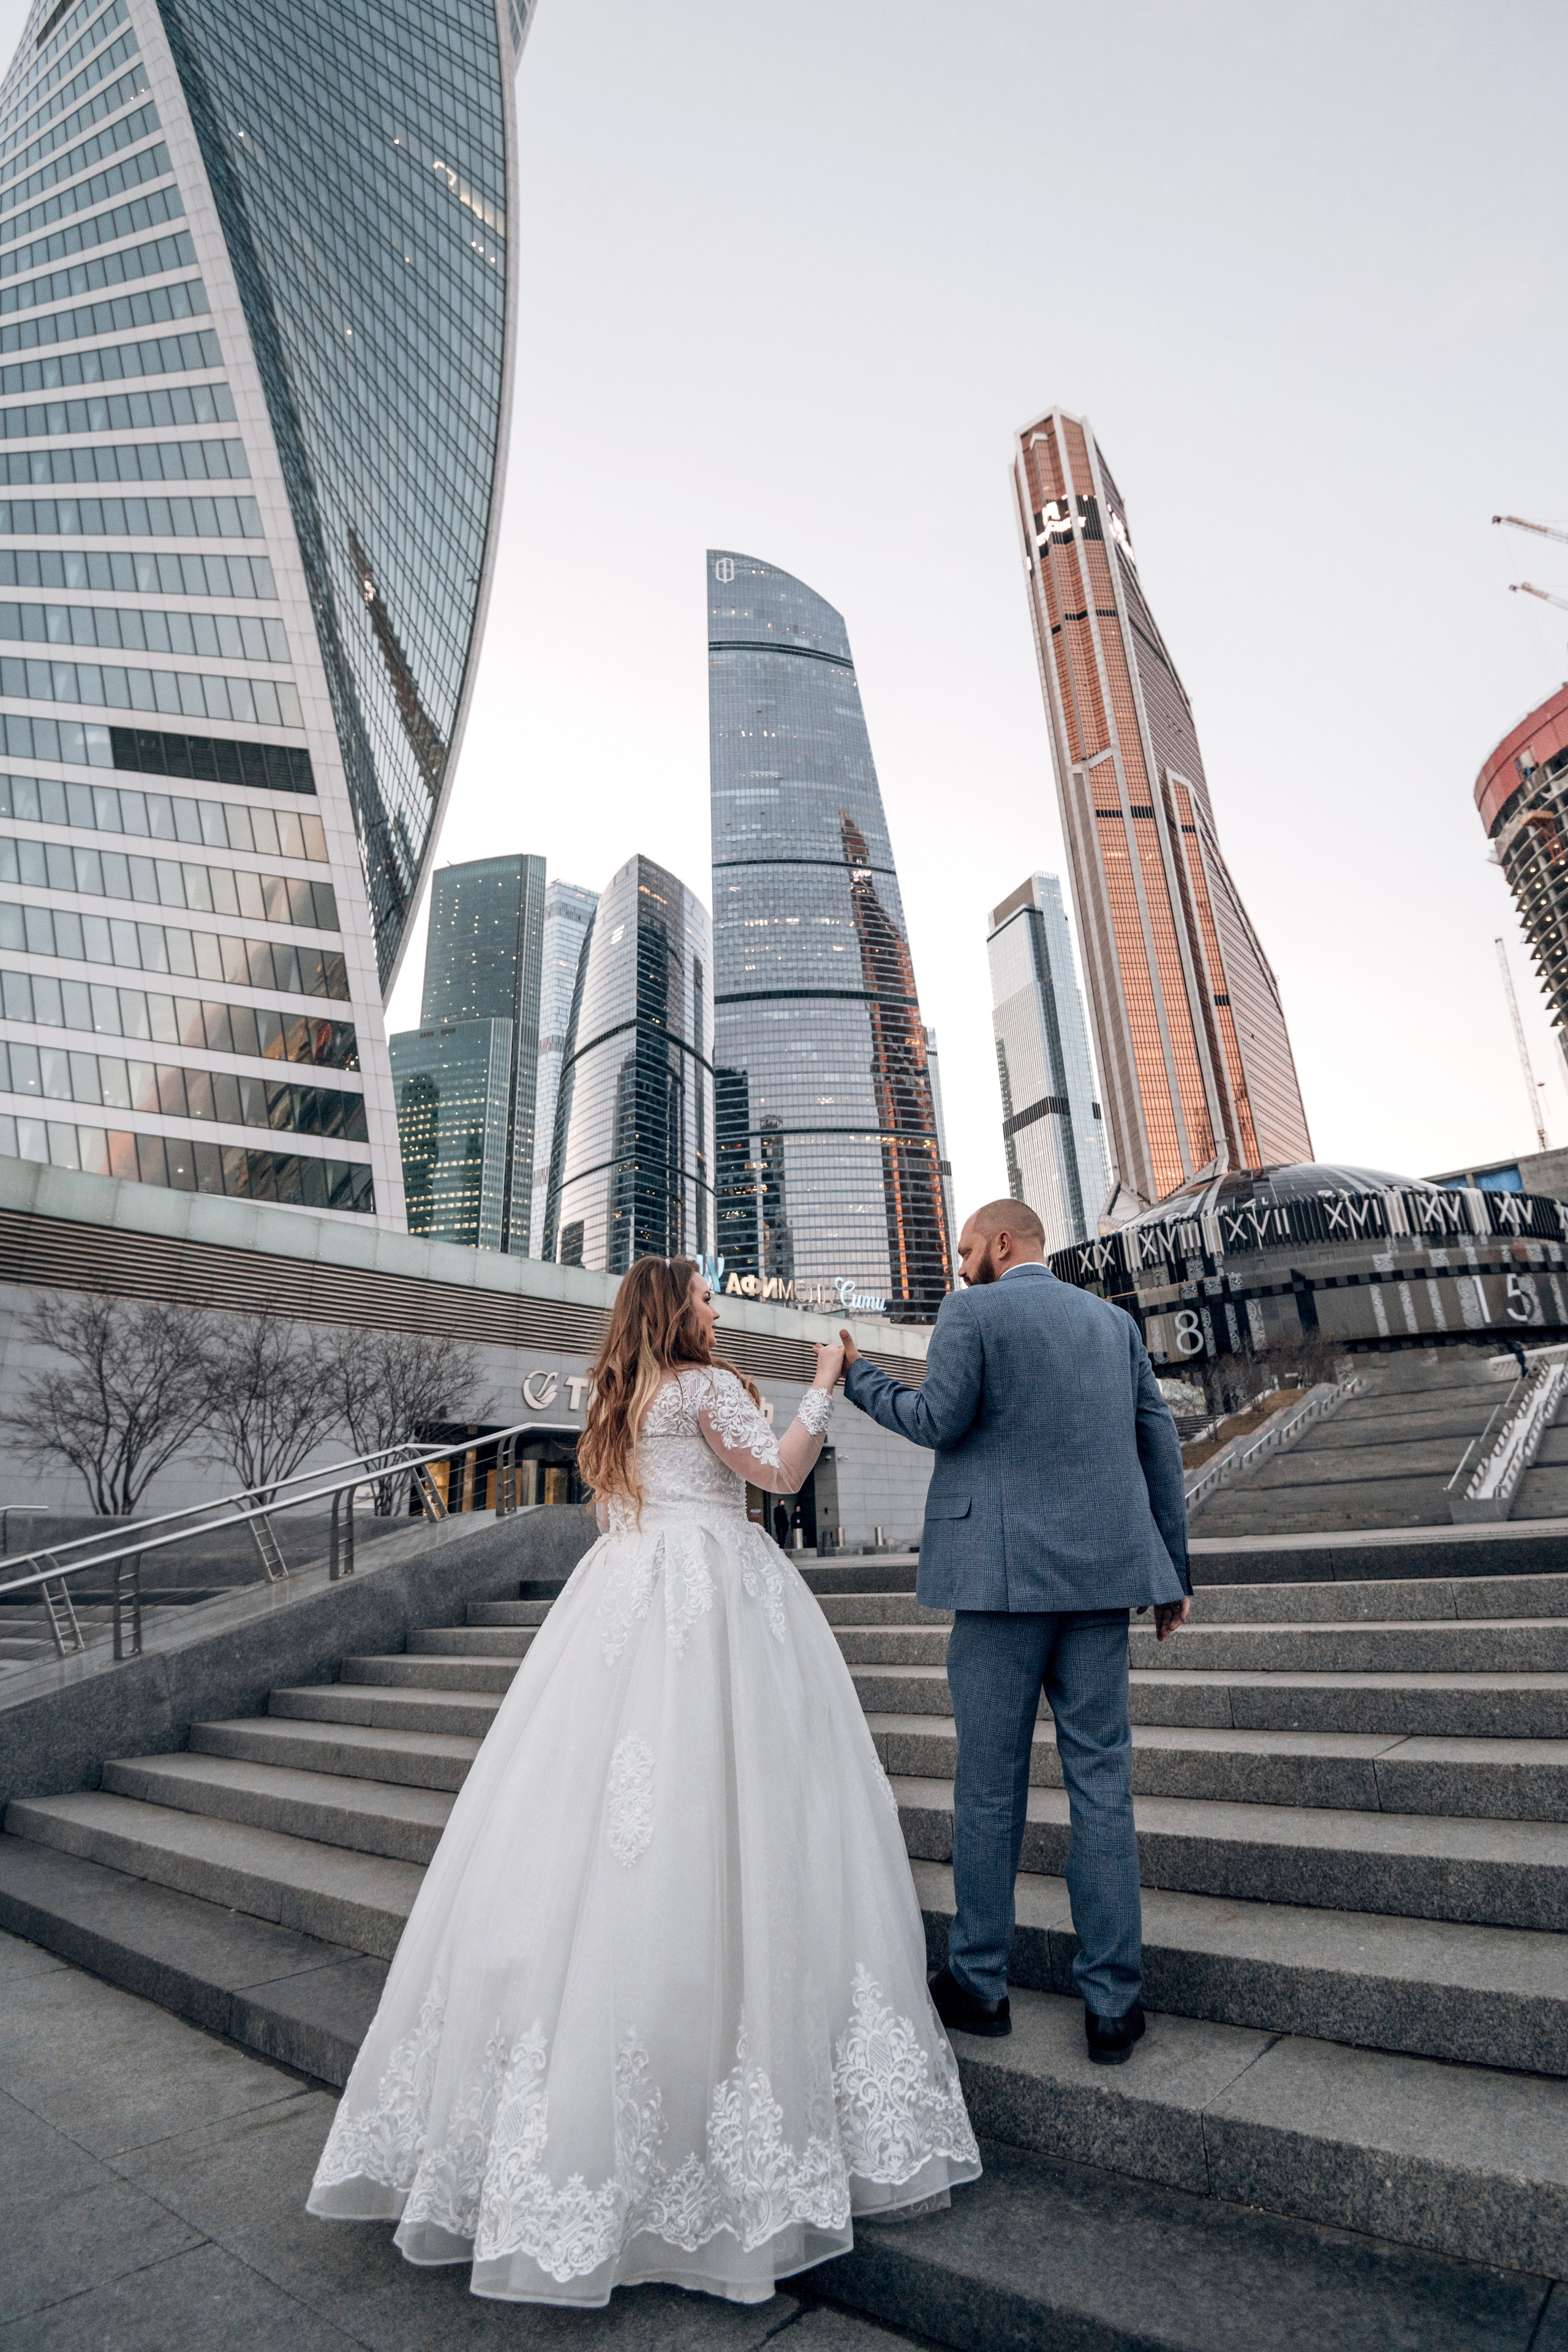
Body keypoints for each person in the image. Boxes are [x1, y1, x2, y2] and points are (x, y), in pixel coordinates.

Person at [309, 1255, 978, 2304]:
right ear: (676, 1311)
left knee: (598, 1819)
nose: (718, 1312)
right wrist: (823, 1385)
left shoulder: (624, 1401)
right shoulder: (706, 1388)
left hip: (624, 1595)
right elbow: (783, 1478)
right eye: (708, 1300)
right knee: (739, 1805)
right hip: (709, 1600)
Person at [840, 1199, 1189, 2066]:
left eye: (966, 1250)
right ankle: (1113, 2005)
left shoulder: (974, 1311)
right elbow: (1159, 1447)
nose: (959, 1266)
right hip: (1105, 1580)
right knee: (1102, 1783)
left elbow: (936, 1420)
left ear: (1003, 1244)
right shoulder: (1114, 1325)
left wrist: (854, 1377)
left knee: (989, 1789)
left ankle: (981, 1985)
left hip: (1000, 1588)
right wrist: (1173, 1573)